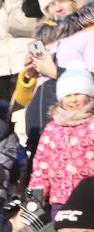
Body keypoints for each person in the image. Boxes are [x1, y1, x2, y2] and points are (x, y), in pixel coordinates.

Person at [28, 67, 94, 209]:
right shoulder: (52, 128)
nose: (73, 100)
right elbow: (40, 169)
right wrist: (33, 204)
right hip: (60, 201)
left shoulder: (92, 126)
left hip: (89, 200)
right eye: (68, 95)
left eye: (78, 94)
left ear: (89, 96)